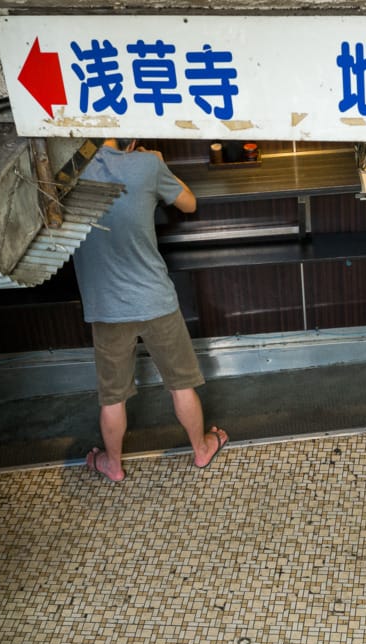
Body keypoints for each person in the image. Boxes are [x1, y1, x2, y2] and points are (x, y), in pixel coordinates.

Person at [73, 139, 228, 481]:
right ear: (130, 139)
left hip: (105, 307)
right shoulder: (146, 165)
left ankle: (112, 465)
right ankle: (201, 450)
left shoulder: (68, 171)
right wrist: (157, 162)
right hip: (154, 299)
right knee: (180, 384)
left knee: (112, 398)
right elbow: (189, 203)